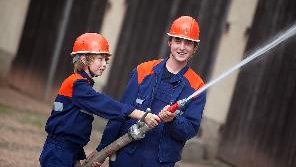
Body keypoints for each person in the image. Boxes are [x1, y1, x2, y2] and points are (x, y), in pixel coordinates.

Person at [96, 16, 206, 167]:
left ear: (195, 48)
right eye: (178, 41)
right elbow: (121, 113)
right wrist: (102, 150)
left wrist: (174, 120)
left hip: (160, 162)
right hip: (127, 155)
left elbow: (190, 130)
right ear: (170, 42)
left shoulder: (197, 86)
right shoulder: (143, 70)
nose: (182, 47)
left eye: (188, 43)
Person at [39, 33, 160, 167]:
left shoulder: (83, 85)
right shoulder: (76, 84)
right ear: (84, 59)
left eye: (105, 60)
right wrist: (140, 115)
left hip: (69, 149)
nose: (104, 64)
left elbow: (73, 126)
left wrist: (78, 158)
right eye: (100, 59)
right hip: (58, 151)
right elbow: (105, 105)